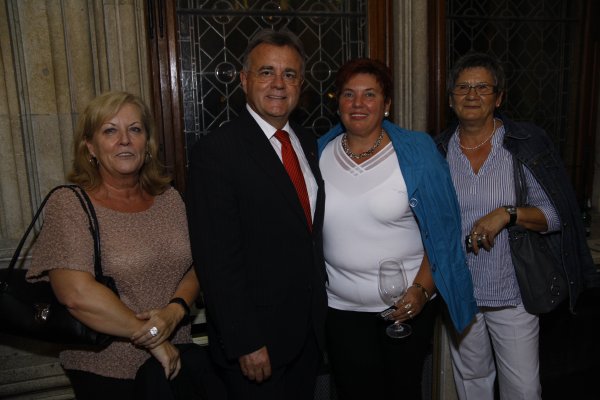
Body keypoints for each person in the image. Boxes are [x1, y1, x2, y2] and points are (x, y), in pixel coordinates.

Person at [435, 52, 599, 400]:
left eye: (483, 87)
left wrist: (507, 214)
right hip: (460, 290)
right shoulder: (438, 151)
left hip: (512, 292)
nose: (472, 95)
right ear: (450, 99)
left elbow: (556, 215)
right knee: (472, 382)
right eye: (462, 87)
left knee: (522, 390)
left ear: (499, 97)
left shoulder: (523, 144)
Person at [317, 58, 477, 400]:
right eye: (348, 94)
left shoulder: (418, 153)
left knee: (402, 392)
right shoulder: (318, 154)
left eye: (370, 94)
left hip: (405, 309)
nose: (358, 103)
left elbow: (444, 233)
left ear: (387, 104)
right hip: (341, 311)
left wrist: (421, 290)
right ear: (338, 103)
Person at [25, 91, 201, 399]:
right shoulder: (70, 204)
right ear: (90, 147)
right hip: (106, 371)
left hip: (175, 360)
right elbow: (76, 295)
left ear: (147, 143)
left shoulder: (169, 198)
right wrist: (155, 339)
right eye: (110, 130)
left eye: (135, 129)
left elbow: (197, 266)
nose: (125, 140)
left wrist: (175, 312)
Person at [186, 29, 327, 400]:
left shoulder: (307, 142)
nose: (278, 83)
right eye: (267, 72)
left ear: (301, 84)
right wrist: (245, 340)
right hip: (256, 344)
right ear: (244, 80)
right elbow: (216, 261)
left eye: (289, 74)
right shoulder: (216, 153)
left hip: (308, 334)